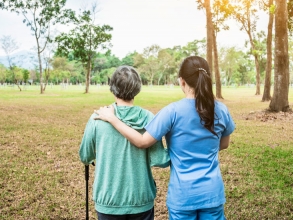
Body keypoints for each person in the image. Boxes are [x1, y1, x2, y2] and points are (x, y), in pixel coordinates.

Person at [94, 56, 235, 220]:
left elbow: (142, 141)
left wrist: (112, 119)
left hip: (182, 196)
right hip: (212, 193)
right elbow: (224, 144)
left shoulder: (172, 112)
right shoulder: (221, 109)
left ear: (182, 82)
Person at [79, 65, 170, 220]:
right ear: (137, 88)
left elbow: (85, 155)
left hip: (108, 200)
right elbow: (160, 160)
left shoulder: (97, 117)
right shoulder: (148, 118)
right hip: (141, 198)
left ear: (112, 88)